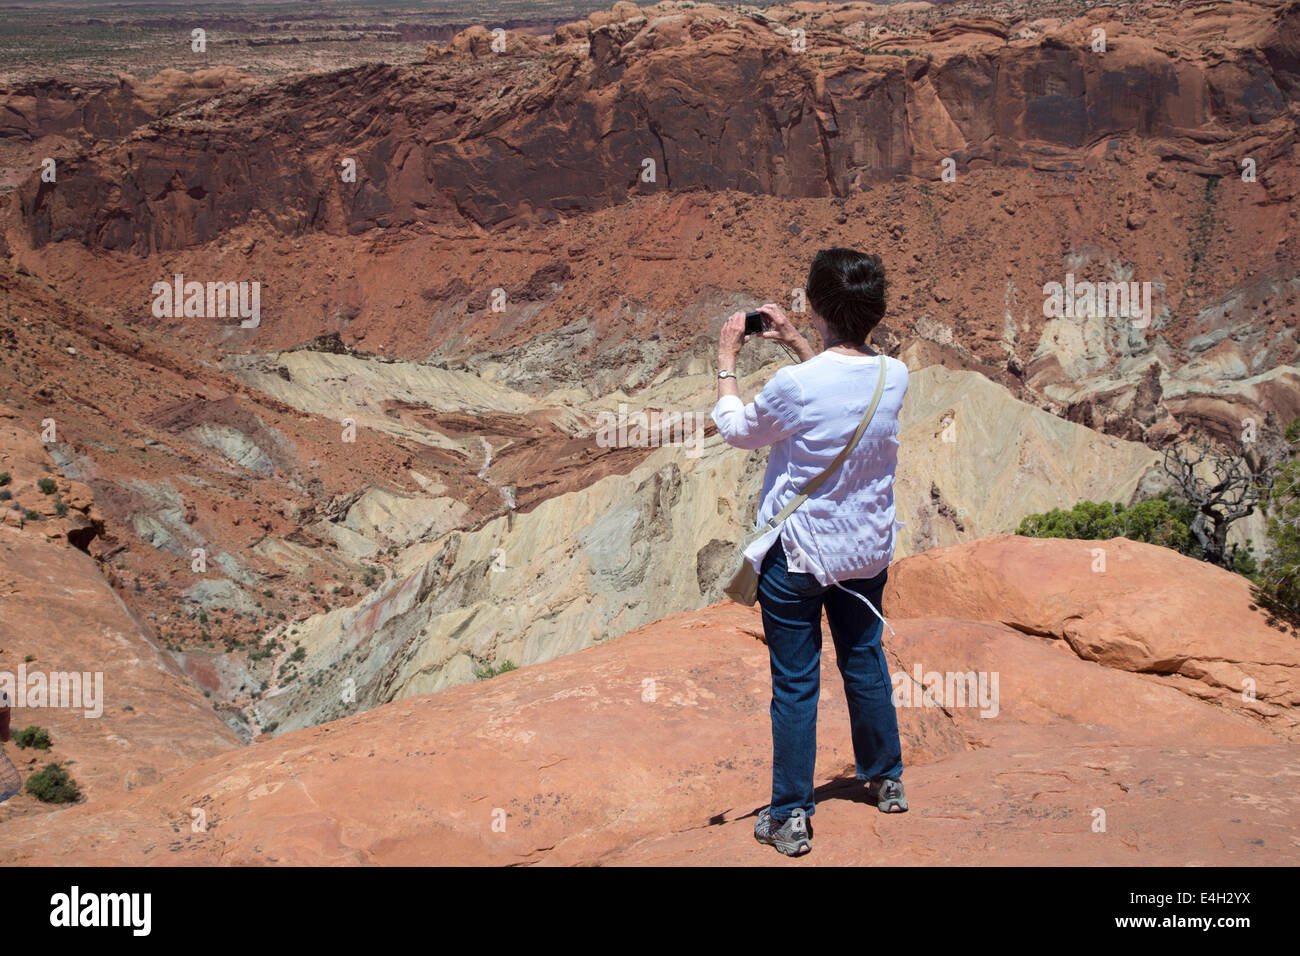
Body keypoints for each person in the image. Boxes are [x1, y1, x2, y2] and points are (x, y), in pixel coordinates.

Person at [713, 248, 909, 857]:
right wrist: (802, 342)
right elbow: (839, 395)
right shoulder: (894, 374)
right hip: (864, 553)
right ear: (875, 312)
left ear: (819, 307)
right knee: (863, 659)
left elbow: (740, 430)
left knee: (796, 683)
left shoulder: (795, 385)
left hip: (799, 557)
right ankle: (886, 779)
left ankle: (790, 814)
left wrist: (726, 363)